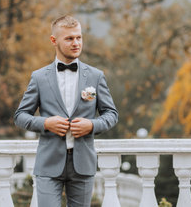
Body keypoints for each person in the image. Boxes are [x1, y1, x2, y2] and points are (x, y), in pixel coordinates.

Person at [14, 15, 118, 207]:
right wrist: (46, 123)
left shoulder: (96, 76)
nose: (76, 43)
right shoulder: (39, 77)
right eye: (69, 38)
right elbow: (20, 116)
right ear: (54, 41)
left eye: (79, 37)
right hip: (48, 163)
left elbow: (111, 114)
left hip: (83, 163)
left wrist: (92, 125)